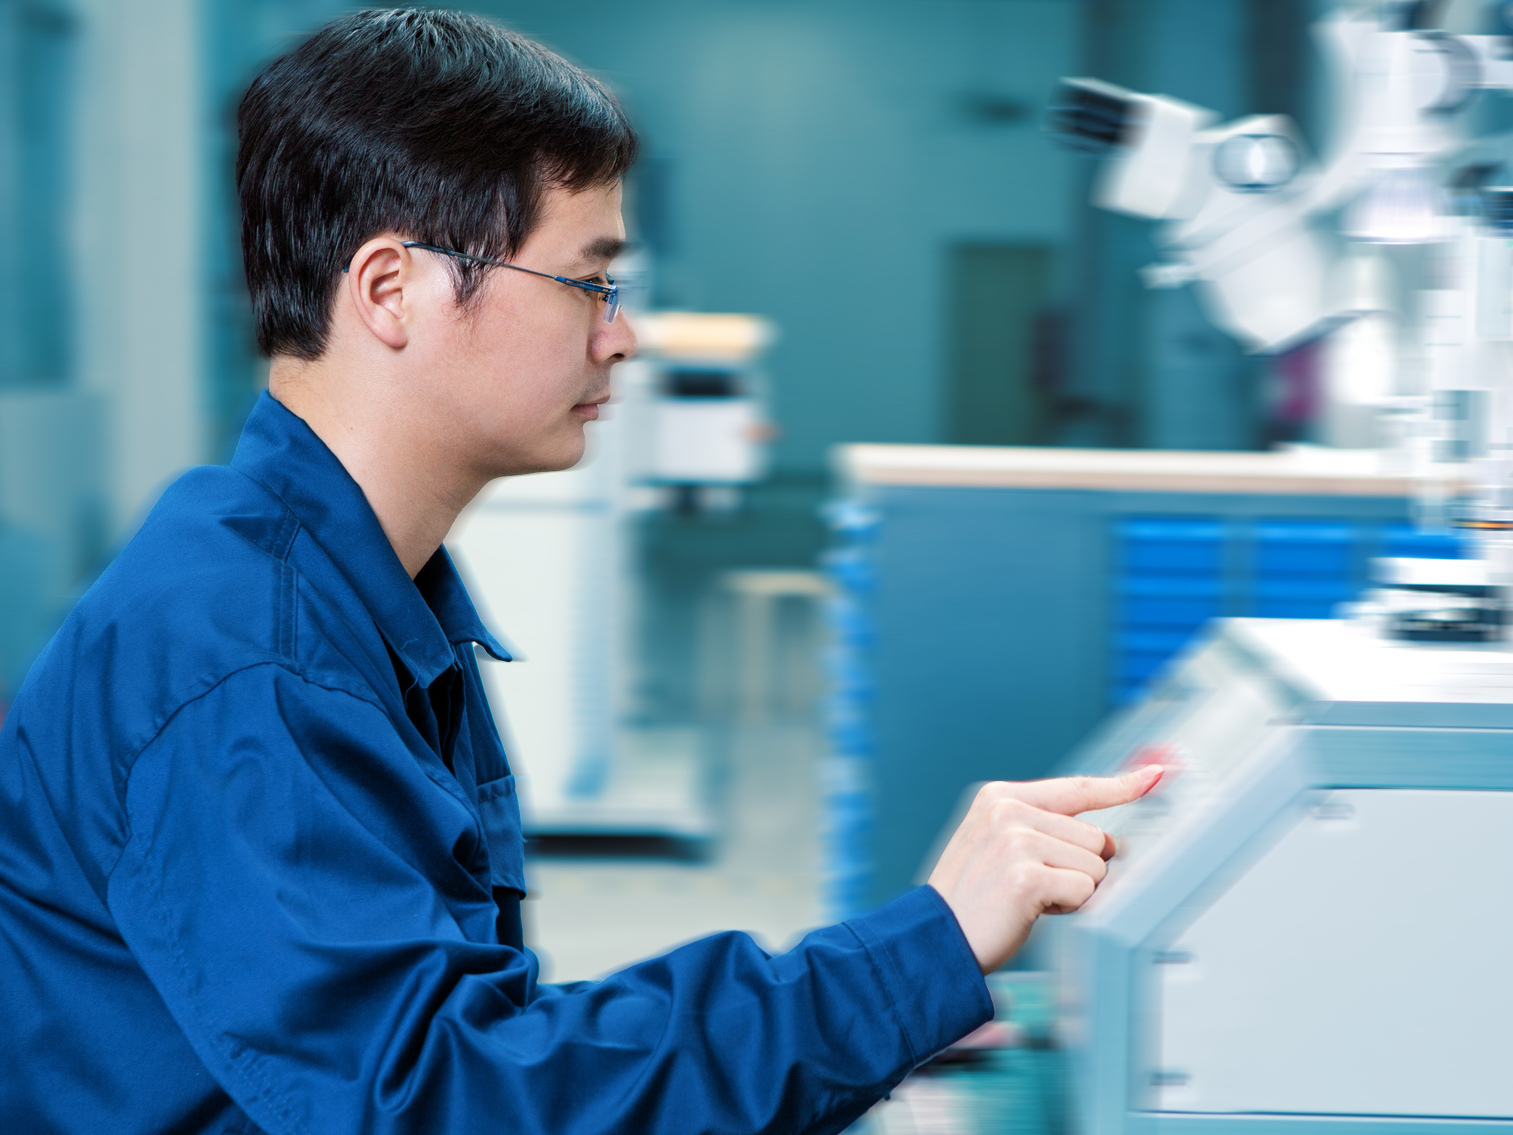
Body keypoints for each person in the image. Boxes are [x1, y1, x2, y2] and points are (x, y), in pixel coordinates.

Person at [0, 10, 1160, 1134]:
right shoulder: (248, 656)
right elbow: (447, 1100)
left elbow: (463, 1038)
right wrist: (916, 956)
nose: (622, 334)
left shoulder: (349, 597)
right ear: (392, 291)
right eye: (588, 282)